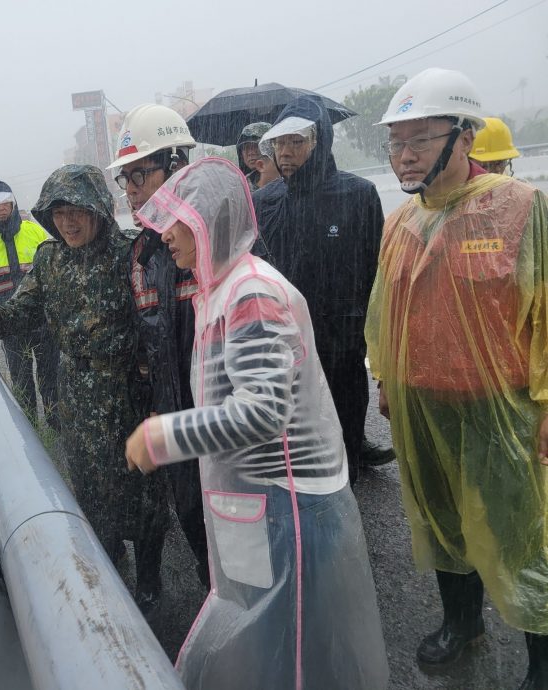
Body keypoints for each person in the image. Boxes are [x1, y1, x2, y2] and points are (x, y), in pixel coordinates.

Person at [124, 157, 389, 690]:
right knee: (272, 641)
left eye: (177, 221)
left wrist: (165, 437)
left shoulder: (251, 294)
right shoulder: (218, 288)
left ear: (209, 221)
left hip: (290, 504)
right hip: (260, 499)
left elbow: (264, 412)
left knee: (295, 650)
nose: (165, 234)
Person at [367, 67, 548, 689]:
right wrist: (385, 380)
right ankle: (461, 621)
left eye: (420, 139)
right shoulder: (399, 223)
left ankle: (542, 658)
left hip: (501, 410)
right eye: (396, 142)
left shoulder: (521, 208)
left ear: (464, 137)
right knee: (442, 522)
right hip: (423, 406)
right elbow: (383, 315)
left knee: (520, 533)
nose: (405, 154)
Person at [0, 164, 168, 612]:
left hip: (128, 394)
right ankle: (108, 563)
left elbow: (158, 328)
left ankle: (150, 580)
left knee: (144, 492)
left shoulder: (132, 255)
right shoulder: (51, 260)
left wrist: (158, 397)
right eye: (58, 213)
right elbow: (25, 306)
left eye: (77, 211)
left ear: (99, 210)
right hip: (76, 396)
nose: (67, 223)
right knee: (91, 488)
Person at [253, 95, 394, 482]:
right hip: (284, 345)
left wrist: (369, 338)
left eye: (296, 142)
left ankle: (350, 479)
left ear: (321, 143)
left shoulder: (358, 195)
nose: (285, 152)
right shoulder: (264, 202)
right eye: (279, 143)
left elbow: (376, 275)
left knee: (343, 436)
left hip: (341, 344)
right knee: (294, 444)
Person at [108, 103, 210, 597]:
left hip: (224, 426)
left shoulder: (214, 239)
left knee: (245, 542)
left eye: (139, 175)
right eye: (124, 179)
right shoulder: (140, 255)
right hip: (175, 424)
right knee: (195, 526)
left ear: (176, 166)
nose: (129, 190)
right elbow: (149, 345)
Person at [0, 179, 58, 427]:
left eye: (4, 203)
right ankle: (29, 428)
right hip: (9, 324)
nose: (0, 208)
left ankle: (56, 427)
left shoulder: (35, 232)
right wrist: (0, 306)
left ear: (13, 203)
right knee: (20, 379)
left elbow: (51, 269)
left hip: (42, 320)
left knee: (51, 377)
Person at [235, 121, 273, 189]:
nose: (250, 153)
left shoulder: (286, 181)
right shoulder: (239, 186)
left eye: (255, 146)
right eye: (246, 148)